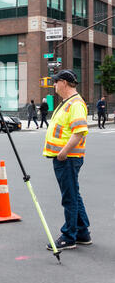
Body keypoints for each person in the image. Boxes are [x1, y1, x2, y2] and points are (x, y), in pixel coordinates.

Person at [43, 69, 91, 251]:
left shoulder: (75, 104)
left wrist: (63, 152)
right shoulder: (68, 103)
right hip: (67, 157)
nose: (54, 85)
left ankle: (69, 236)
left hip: (68, 158)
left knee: (69, 197)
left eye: (55, 82)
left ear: (64, 82)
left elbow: (79, 132)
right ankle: (82, 233)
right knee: (74, 195)